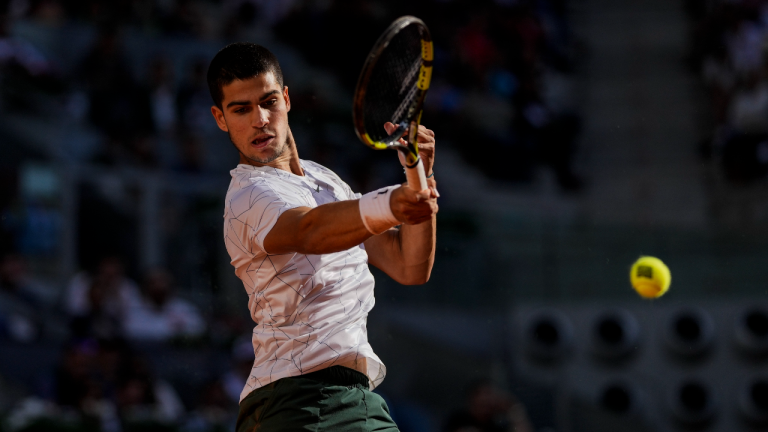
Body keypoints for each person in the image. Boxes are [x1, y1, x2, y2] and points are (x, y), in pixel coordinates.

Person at [208, 42, 439, 432]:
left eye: (268, 102)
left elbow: (408, 265)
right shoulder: (249, 195)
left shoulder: (325, 180)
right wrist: (390, 204)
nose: (260, 119)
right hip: (302, 402)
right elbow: (309, 230)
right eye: (241, 109)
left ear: (286, 98)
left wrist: (420, 175)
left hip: (347, 401)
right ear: (220, 118)